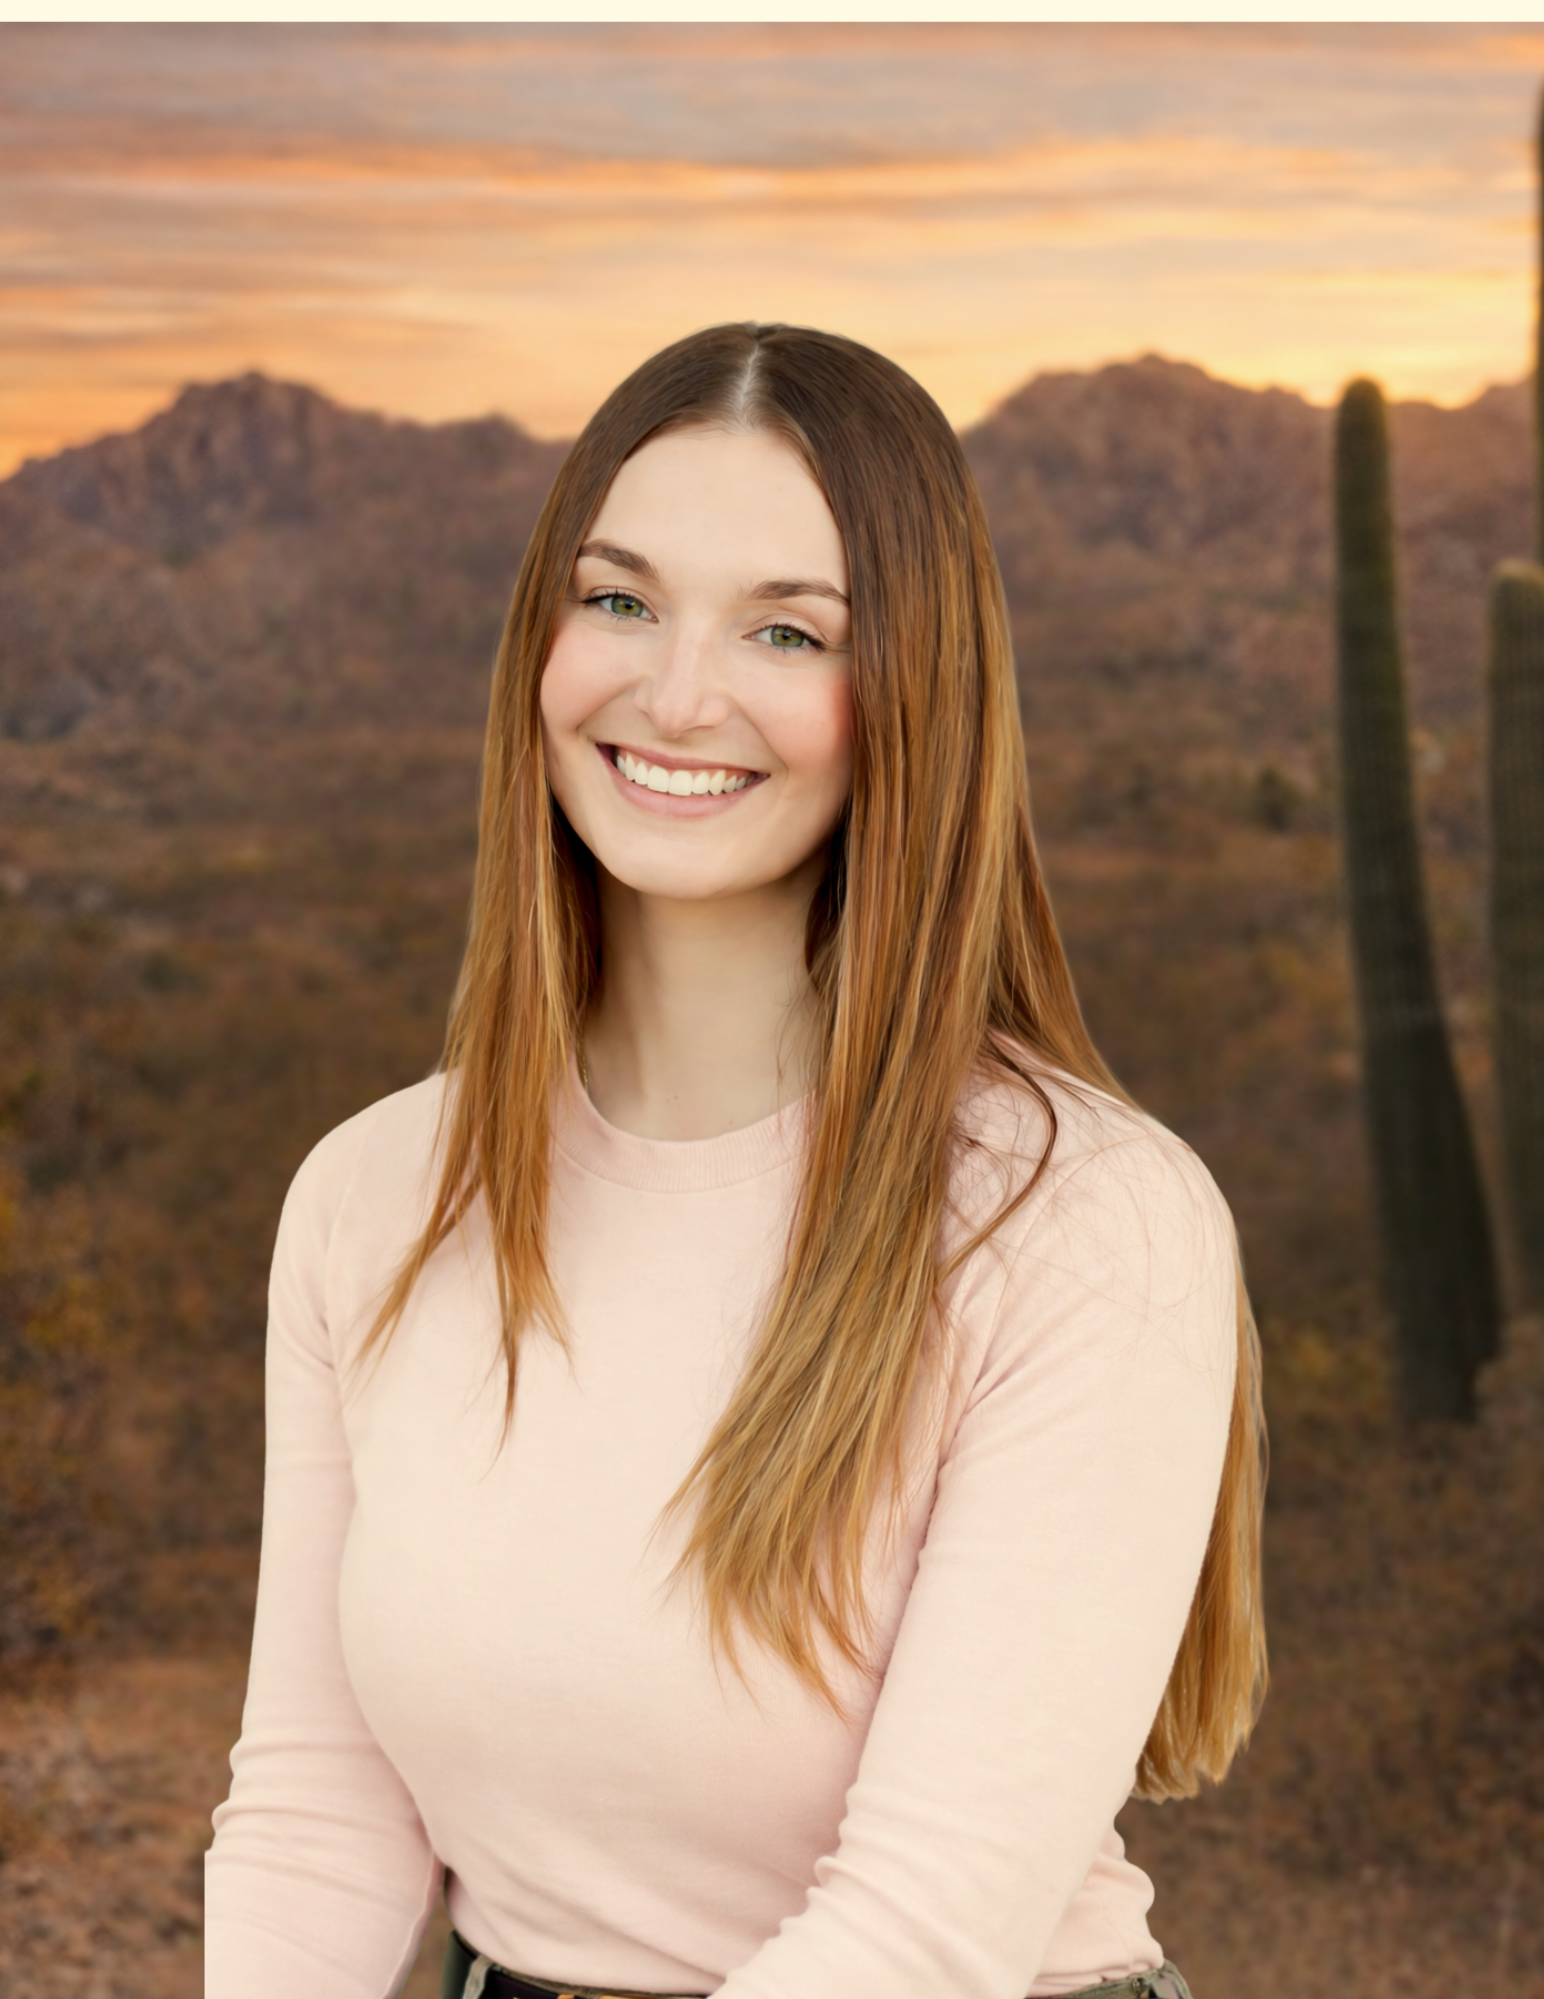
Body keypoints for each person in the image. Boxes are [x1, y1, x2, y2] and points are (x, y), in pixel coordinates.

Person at [205, 322, 1267, 1999]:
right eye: (619, 599)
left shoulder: (1085, 1224)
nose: (675, 692)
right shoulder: (374, 1195)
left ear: (910, 691)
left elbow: (922, 1930)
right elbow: (317, 1810)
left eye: (787, 629)